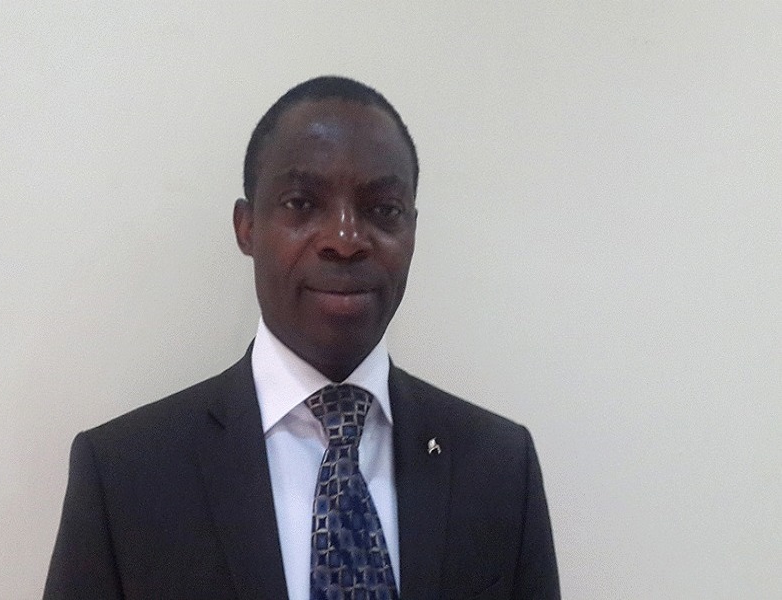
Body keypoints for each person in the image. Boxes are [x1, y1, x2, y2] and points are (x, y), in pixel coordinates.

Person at [43, 76, 560, 600]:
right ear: (246, 227)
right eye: (301, 203)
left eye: (383, 210)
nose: (345, 239)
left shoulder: (499, 467)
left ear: (412, 231)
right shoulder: (124, 476)